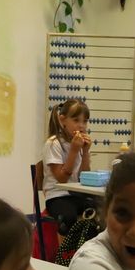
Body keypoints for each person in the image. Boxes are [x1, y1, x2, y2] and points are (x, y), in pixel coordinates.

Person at [40, 99, 96, 234]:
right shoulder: (53, 143)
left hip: (76, 194)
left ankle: (87, 246)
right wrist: (74, 151)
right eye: (76, 120)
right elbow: (62, 179)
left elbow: (84, 177)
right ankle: (65, 248)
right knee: (68, 217)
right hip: (57, 196)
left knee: (101, 209)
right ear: (62, 120)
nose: (81, 126)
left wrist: (86, 151)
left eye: (85, 121)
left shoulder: (78, 143)